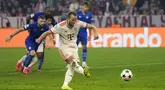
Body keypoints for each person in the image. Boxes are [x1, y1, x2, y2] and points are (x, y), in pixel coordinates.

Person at [36, 12, 99, 90]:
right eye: (72, 20)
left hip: (73, 47)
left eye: (75, 20)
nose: (74, 22)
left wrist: (96, 33)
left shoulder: (78, 23)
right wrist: (39, 39)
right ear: (68, 19)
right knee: (73, 62)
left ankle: (65, 85)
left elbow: (92, 26)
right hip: (64, 47)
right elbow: (47, 32)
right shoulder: (60, 26)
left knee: (71, 67)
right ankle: (83, 72)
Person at [76, 2, 93, 68]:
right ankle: (72, 63)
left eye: (87, 7)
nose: (86, 8)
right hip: (76, 33)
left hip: (84, 33)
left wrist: (90, 35)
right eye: (85, 6)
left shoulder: (89, 14)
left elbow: (90, 26)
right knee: (74, 48)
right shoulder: (77, 13)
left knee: (84, 47)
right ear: (82, 6)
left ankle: (83, 63)